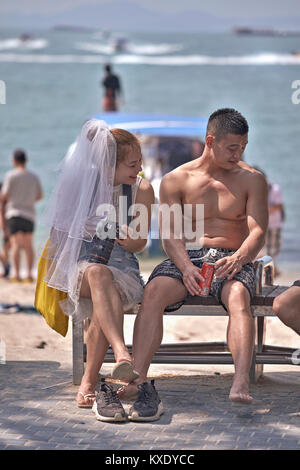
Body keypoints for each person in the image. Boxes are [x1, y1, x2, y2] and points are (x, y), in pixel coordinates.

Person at [117, 108, 269, 418]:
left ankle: (240, 382)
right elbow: (171, 235)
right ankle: (139, 378)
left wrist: (240, 257)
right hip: (190, 256)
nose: (238, 153)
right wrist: (186, 267)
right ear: (210, 141)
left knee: (239, 297)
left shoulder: (252, 179)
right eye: (232, 147)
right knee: (155, 291)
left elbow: (258, 232)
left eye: (243, 146)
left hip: (233, 257)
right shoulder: (176, 180)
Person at [39, 120, 154, 422]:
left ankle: (90, 382)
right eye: (132, 163)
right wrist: (80, 228)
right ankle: (122, 355)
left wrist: (117, 229)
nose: (139, 169)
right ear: (108, 164)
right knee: (96, 274)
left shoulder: (142, 190)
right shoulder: (81, 186)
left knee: (105, 287)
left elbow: (140, 243)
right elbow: (57, 236)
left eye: (140, 162)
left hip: (122, 268)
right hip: (81, 268)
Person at [0, 149, 43, 282]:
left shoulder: (10, 175)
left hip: (14, 212)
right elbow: (40, 196)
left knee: (16, 244)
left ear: (14, 161)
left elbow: (4, 195)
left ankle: (17, 275)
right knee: (29, 245)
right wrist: (28, 201)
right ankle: (29, 275)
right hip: (29, 213)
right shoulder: (33, 176)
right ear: (26, 160)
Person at [266, 181, 285, 277]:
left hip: (274, 224)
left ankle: (273, 272)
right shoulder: (258, 187)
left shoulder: (275, 188)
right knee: (264, 251)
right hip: (264, 224)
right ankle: (274, 271)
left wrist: (262, 207)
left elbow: (279, 206)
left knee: (272, 251)